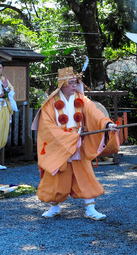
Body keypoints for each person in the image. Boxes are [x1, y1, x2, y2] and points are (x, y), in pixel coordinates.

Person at [34, 66, 118, 220]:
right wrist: (68, 139)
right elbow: (47, 127)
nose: (74, 86)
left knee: (85, 175)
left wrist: (107, 124)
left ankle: (90, 208)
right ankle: (54, 207)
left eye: (75, 83)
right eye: (71, 83)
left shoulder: (82, 100)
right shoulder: (50, 103)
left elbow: (95, 114)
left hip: (79, 144)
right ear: (62, 84)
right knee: (56, 177)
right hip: (60, 144)